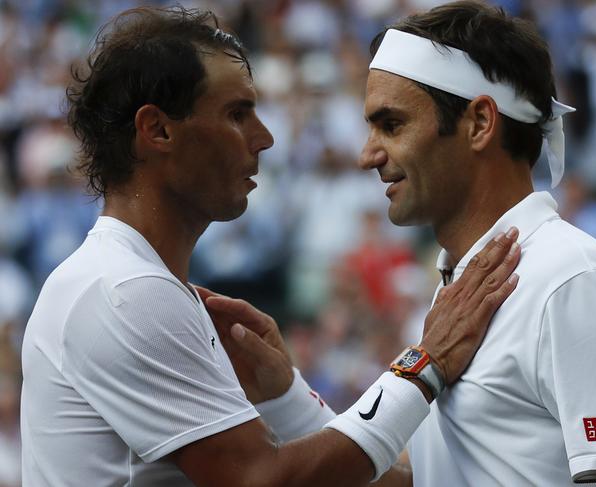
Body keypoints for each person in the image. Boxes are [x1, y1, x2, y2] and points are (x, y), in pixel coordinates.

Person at [20, 6, 521, 486]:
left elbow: (354, 481)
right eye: (238, 114)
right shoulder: (125, 290)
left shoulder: (130, 283)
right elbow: (262, 479)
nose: (264, 138)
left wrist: (284, 395)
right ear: (158, 130)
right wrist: (425, 362)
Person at [211, 1, 596, 486]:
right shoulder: (463, 288)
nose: (366, 155)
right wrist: (289, 395)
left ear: (480, 123)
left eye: (391, 124)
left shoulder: (571, 280)